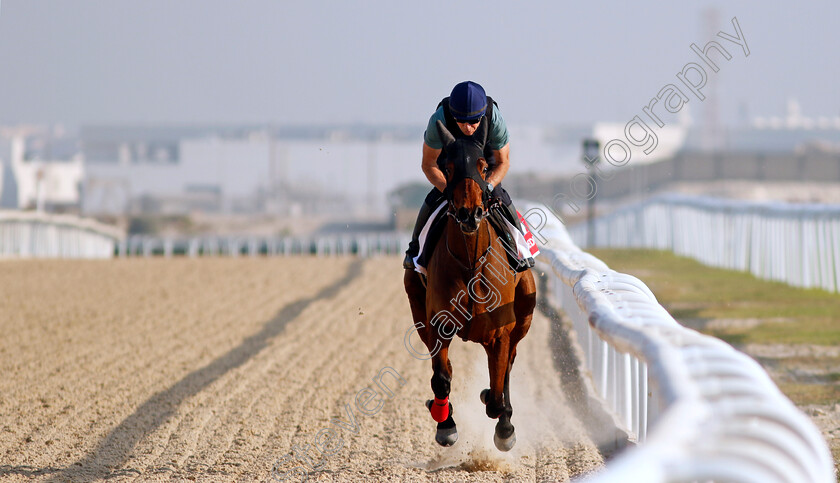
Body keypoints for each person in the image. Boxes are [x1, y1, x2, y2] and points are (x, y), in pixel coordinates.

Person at [403, 80, 529, 271]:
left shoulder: (494, 118)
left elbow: (503, 162)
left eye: (474, 122)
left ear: (482, 116)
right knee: (433, 199)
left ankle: (520, 250)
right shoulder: (439, 119)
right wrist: (448, 189)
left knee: (499, 196)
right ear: (453, 116)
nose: (468, 128)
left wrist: (488, 186)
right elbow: (428, 164)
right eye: (461, 121)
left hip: (483, 162)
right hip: (452, 163)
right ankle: (414, 250)